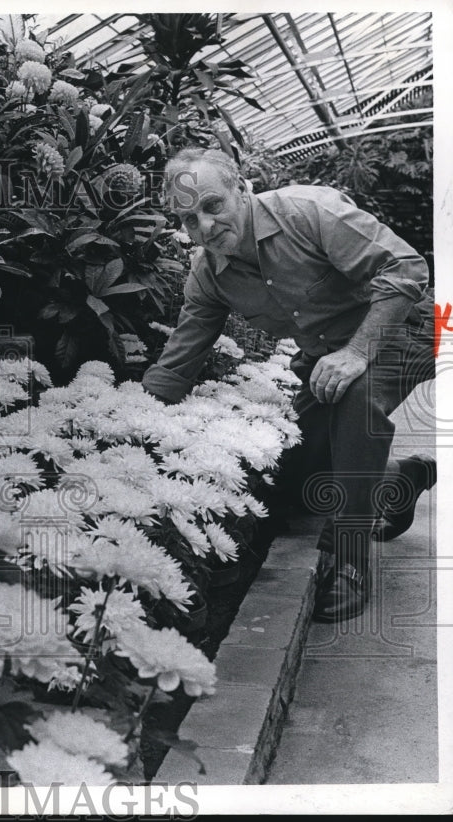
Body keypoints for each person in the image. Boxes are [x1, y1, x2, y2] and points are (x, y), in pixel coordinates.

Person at [143, 147, 435, 622]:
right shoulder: (209, 275)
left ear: (242, 189)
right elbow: (179, 359)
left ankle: (350, 560)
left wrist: (357, 353)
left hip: (406, 328)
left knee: (357, 403)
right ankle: (400, 478)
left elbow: (406, 271)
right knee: (294, 476)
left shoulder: (309, 212)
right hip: (329, 357)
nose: (206, 226)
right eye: (189, 219)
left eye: (213, 205)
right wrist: (135, 424)